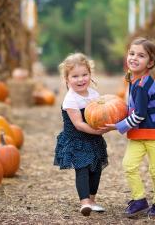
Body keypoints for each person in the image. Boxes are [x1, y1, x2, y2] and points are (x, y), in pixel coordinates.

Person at [104, 37, 155, 218]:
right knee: (129, 165)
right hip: (141, 132)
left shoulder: (142, 85)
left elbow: (140, 114)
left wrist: (117, 126)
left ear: (150, 63)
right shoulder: (134, 81)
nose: (134, 58)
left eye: (141, 56)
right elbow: (133, 109)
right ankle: (139, 199)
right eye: (131, 53)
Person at [54, 52, 109, 217]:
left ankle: (92, 200)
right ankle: (84, 202)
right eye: (75, 76)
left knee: (96, 169)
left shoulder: (94, 95)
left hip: (94, 139)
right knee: (83, 169)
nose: (81, 79)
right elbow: (79, 124)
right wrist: (100, 130)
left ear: (90, 75)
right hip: (77, 140)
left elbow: (100, 115)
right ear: (67, 80)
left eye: (85, 74)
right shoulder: (71, 99)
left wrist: (108, 124)